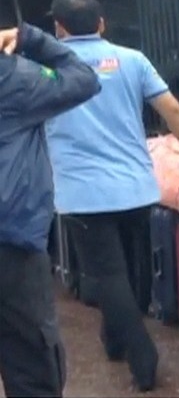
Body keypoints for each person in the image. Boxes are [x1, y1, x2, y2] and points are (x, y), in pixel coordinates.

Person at [43, 0, 179, 392]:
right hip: (136, 188)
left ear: (58, 28)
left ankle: (142, 357)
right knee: (132, 271)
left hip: (83, 194)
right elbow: (171, 110)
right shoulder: (133, 59)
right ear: (102, 24)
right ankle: (114, 340)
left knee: (109, 276)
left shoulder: (47, 67)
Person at [0, 23, 101, 396]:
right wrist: (30, 39)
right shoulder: (14, 79)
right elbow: (83, 78)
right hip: (12, 243)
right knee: (30, 360)